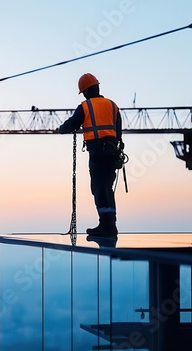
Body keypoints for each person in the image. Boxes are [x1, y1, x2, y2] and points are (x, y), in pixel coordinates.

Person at [56, 73, 124, 237]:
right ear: (98, 87)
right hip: (112, 151)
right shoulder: (112, 105)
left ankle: (106, 225)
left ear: (85, 92)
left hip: (97, 153)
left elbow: (71, 124)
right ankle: (110, 223)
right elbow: (118, 130)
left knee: (99, 188)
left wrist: (61, 129)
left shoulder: (85, 106)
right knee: (107, 187)